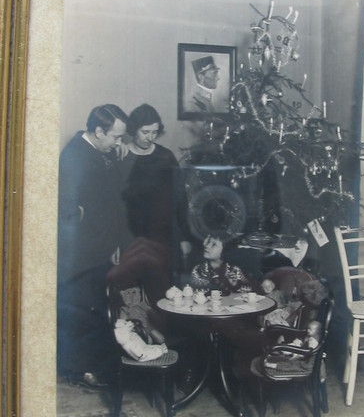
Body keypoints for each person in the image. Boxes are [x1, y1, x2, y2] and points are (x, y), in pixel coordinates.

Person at [57, 103, 128, 388]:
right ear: (99, 131)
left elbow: (109, 199)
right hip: (81, 255)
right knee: (83, 311)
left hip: (100, 247)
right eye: (116, 137)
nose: (118, 143)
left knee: (96, 307)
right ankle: (79, 370)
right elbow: (66, 209)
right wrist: (80, 219)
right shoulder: (74, 156)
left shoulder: (98, 151)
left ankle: (90, 366)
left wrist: (112, 241)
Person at [107, 103, 191, 306]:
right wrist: (113, 242)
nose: (150, 137)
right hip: (129, 237)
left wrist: (184, 237)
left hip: (162, 238)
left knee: (163, 295)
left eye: (154, 132)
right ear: (133, 129)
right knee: (130, 297)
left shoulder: (166, 157)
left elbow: (180, 200)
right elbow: (112, 204)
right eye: (145, 132)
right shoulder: (121, 157)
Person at [190, 235, 257, 295]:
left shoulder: (233, 269)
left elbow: (250, 289)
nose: (207, 246)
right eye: (208, 243)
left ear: (224, 251)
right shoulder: (199, 269)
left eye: (213, 245)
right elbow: (197, 291)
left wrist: (235, 285)